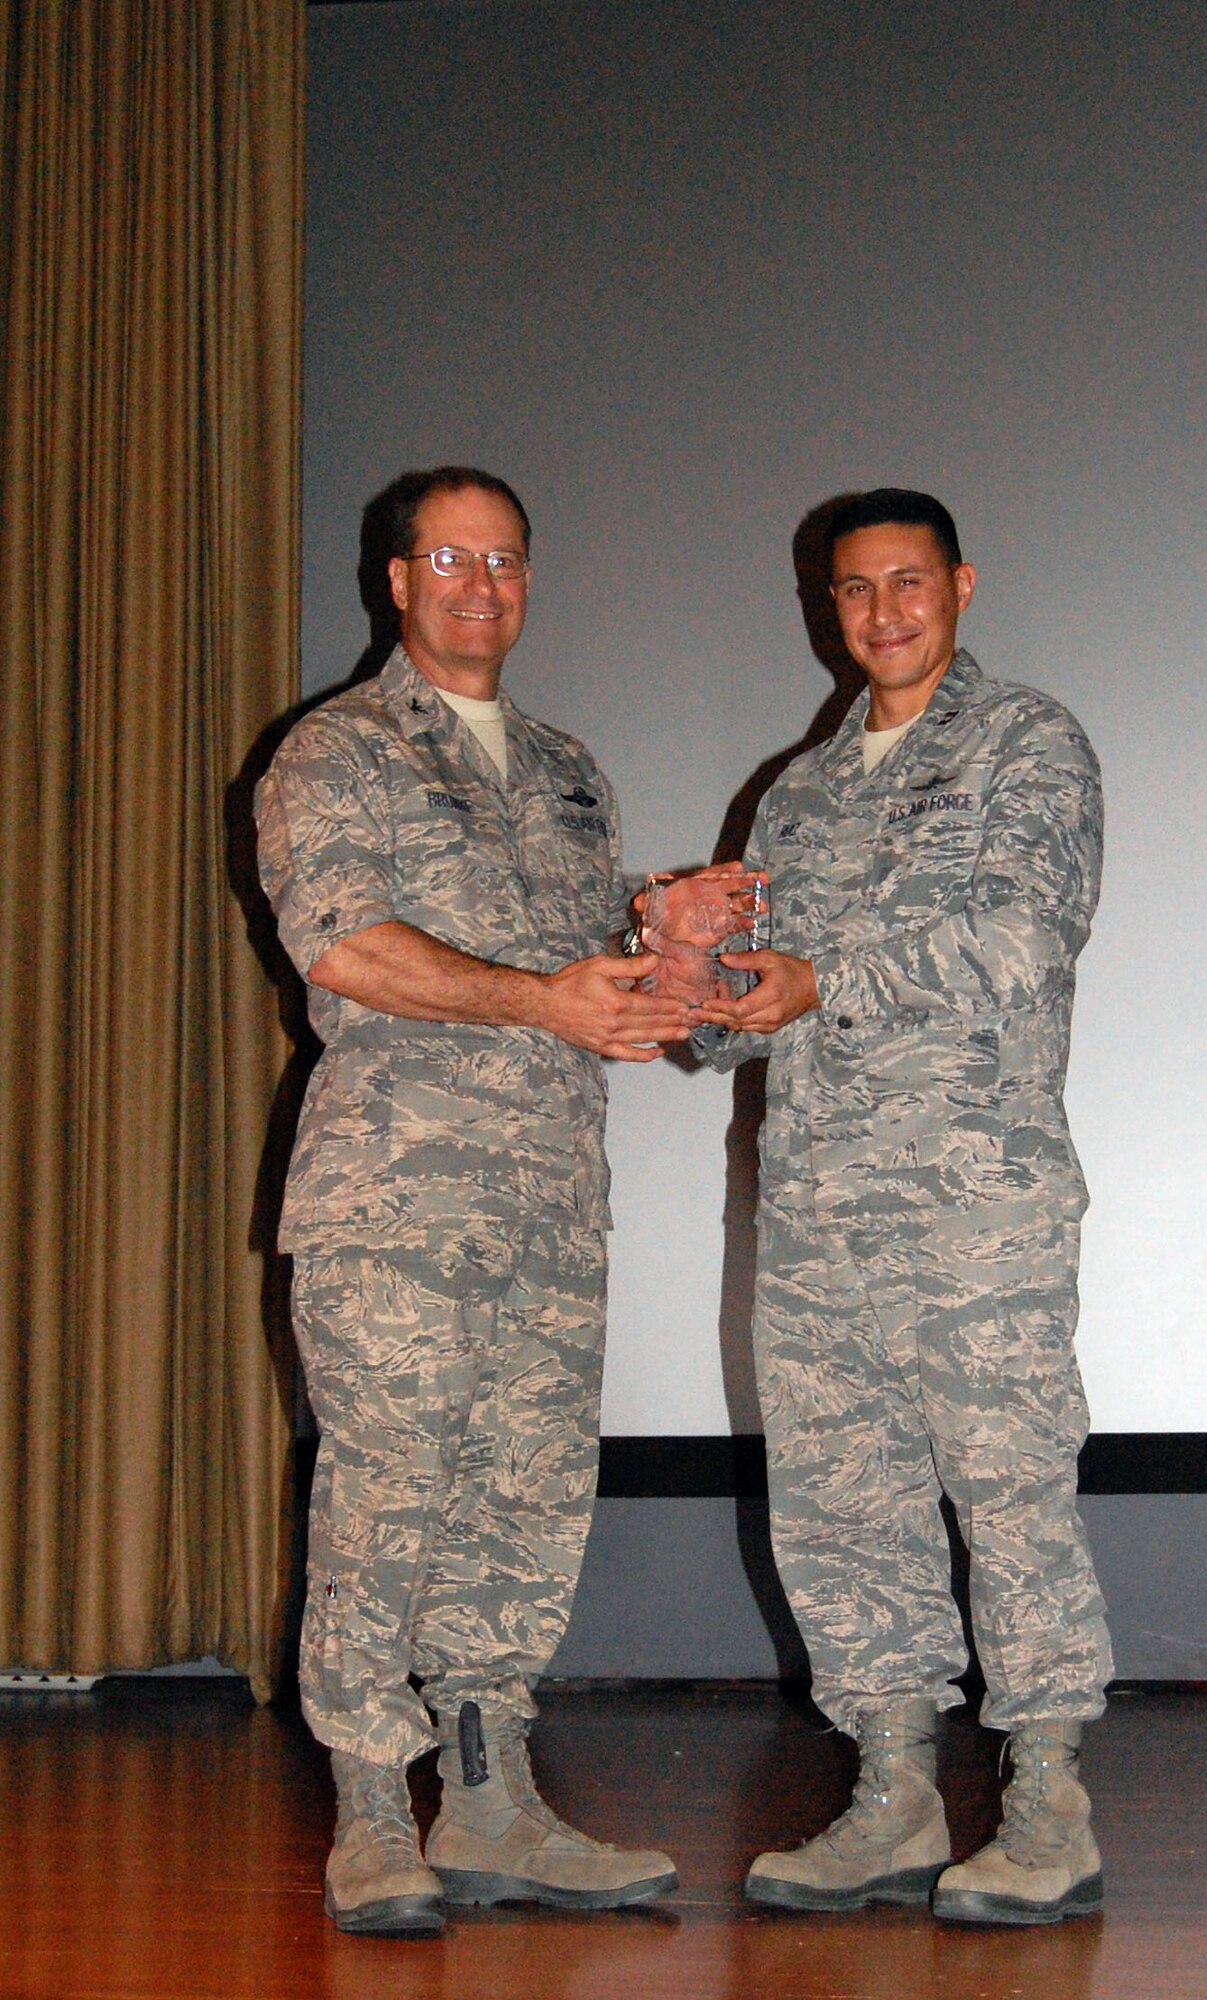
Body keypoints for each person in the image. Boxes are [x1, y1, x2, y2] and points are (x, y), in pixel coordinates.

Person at [255, 466, 687, 1937]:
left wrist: (671, 956)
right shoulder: (338, 751)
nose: (479, 587)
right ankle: (374, 1812)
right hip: (398, 1201)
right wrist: (544, 1001)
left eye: (503, 561)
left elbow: (590, 977)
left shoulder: (568, 769)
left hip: (552, 1205)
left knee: (523, 1504)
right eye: (449, 560)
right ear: (396, 581)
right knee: (388, 1499)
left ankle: (494, 1805)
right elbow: (345, 946)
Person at [691, 488, 1113, 1926]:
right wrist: (695, 976)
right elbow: (743, 1026)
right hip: (817, 1214)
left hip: (972, 1203)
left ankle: (1046, 1799)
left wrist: (825, 978)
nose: (882, 612)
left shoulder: (1024, 743)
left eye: (908, 582)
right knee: (840, 1507)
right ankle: (891, 1794)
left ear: (960, 586)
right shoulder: (797, 792)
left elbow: (1025, 933)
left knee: (1009, 1494)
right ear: (830, 607)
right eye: (854, 590)